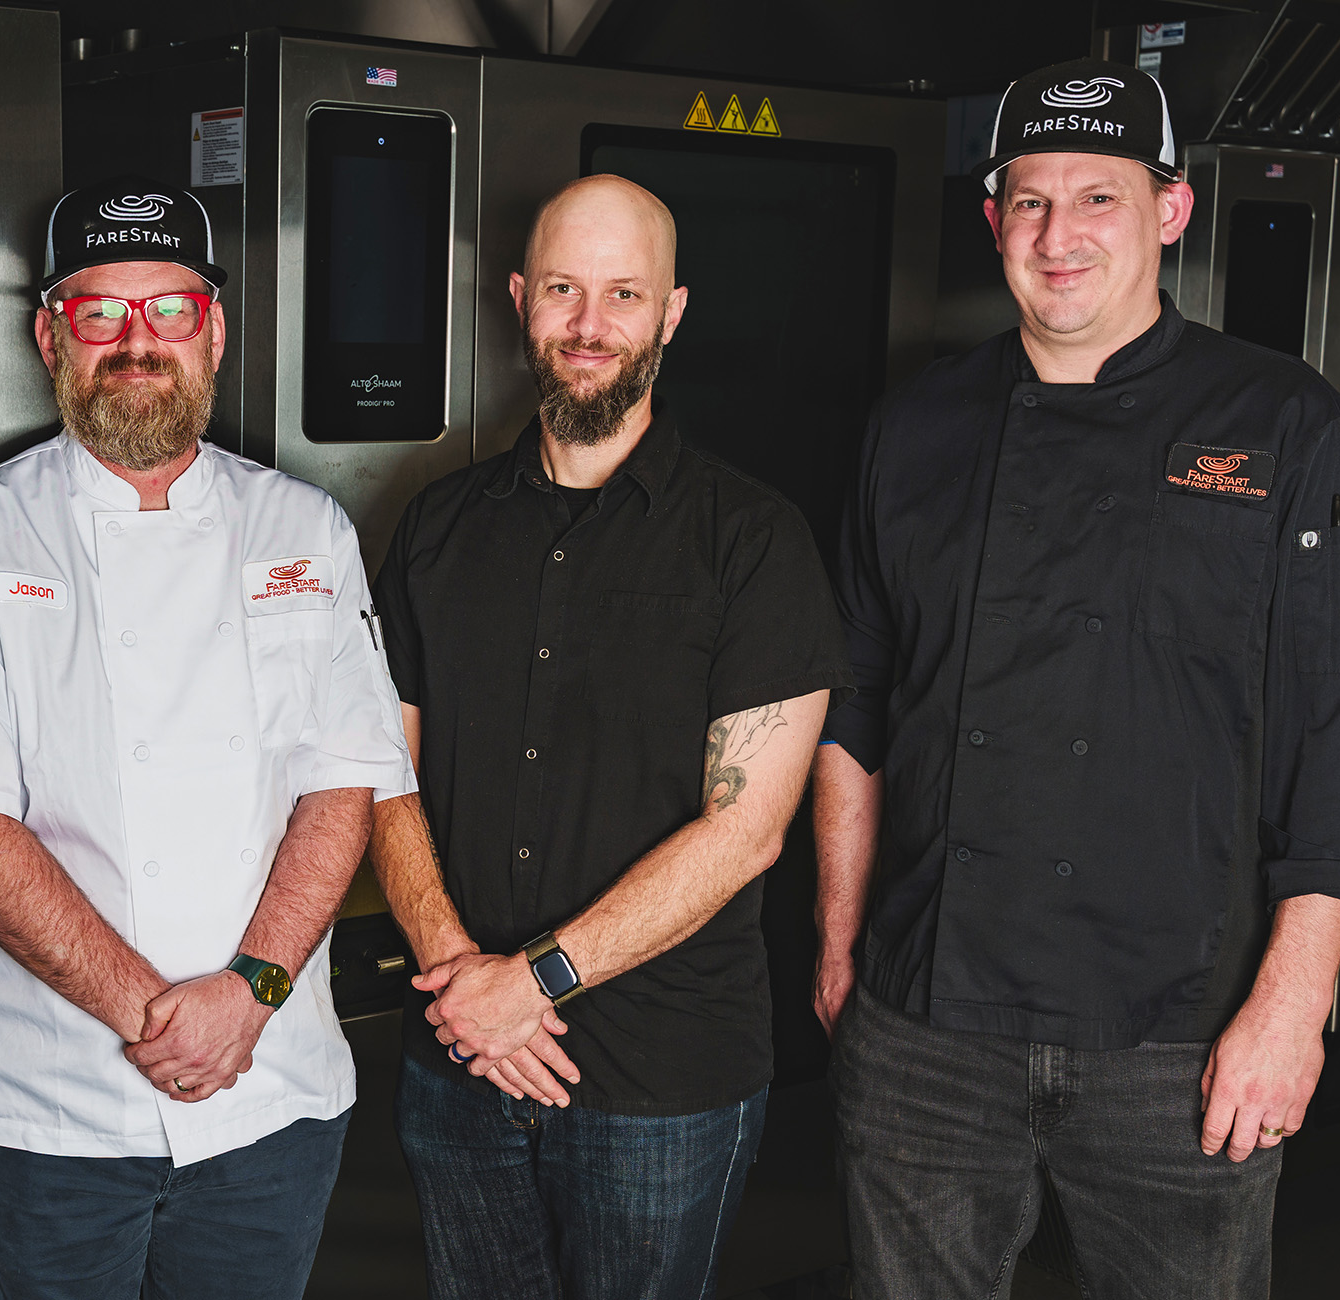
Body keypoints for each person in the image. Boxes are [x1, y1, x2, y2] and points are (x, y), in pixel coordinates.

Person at [813, 59, 1340, 1299]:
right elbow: (855, 698)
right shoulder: (913, 425)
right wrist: (836, 940)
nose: (1057, 234)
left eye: (1098, 197)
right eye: (1029, 200)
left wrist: (1288, 1011)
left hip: (1177, 1033)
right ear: (991, 221)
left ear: (1168, 211)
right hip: (927, 1020)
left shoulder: (1285, 425)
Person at [0, 176, 414, 1300]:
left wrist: (247, 995)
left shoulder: (304, 528)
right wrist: (159, 1017)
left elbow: (344, 783)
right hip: (44, 1110)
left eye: (168, 310)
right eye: (100, 313)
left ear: (212, 330)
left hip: (268, 1093)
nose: (137, 342)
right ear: (51, 335)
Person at [367, 174, 853, 1300]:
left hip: (661, 1080)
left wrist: (528, 981)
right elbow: (374, 769)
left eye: (622, 294)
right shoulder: (438, 525)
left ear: (670, 312)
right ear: (518, 299)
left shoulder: (752, 544)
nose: (588, 325)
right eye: (562, 291)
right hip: (458, 1055)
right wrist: (462, 982)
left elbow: (745, 832)